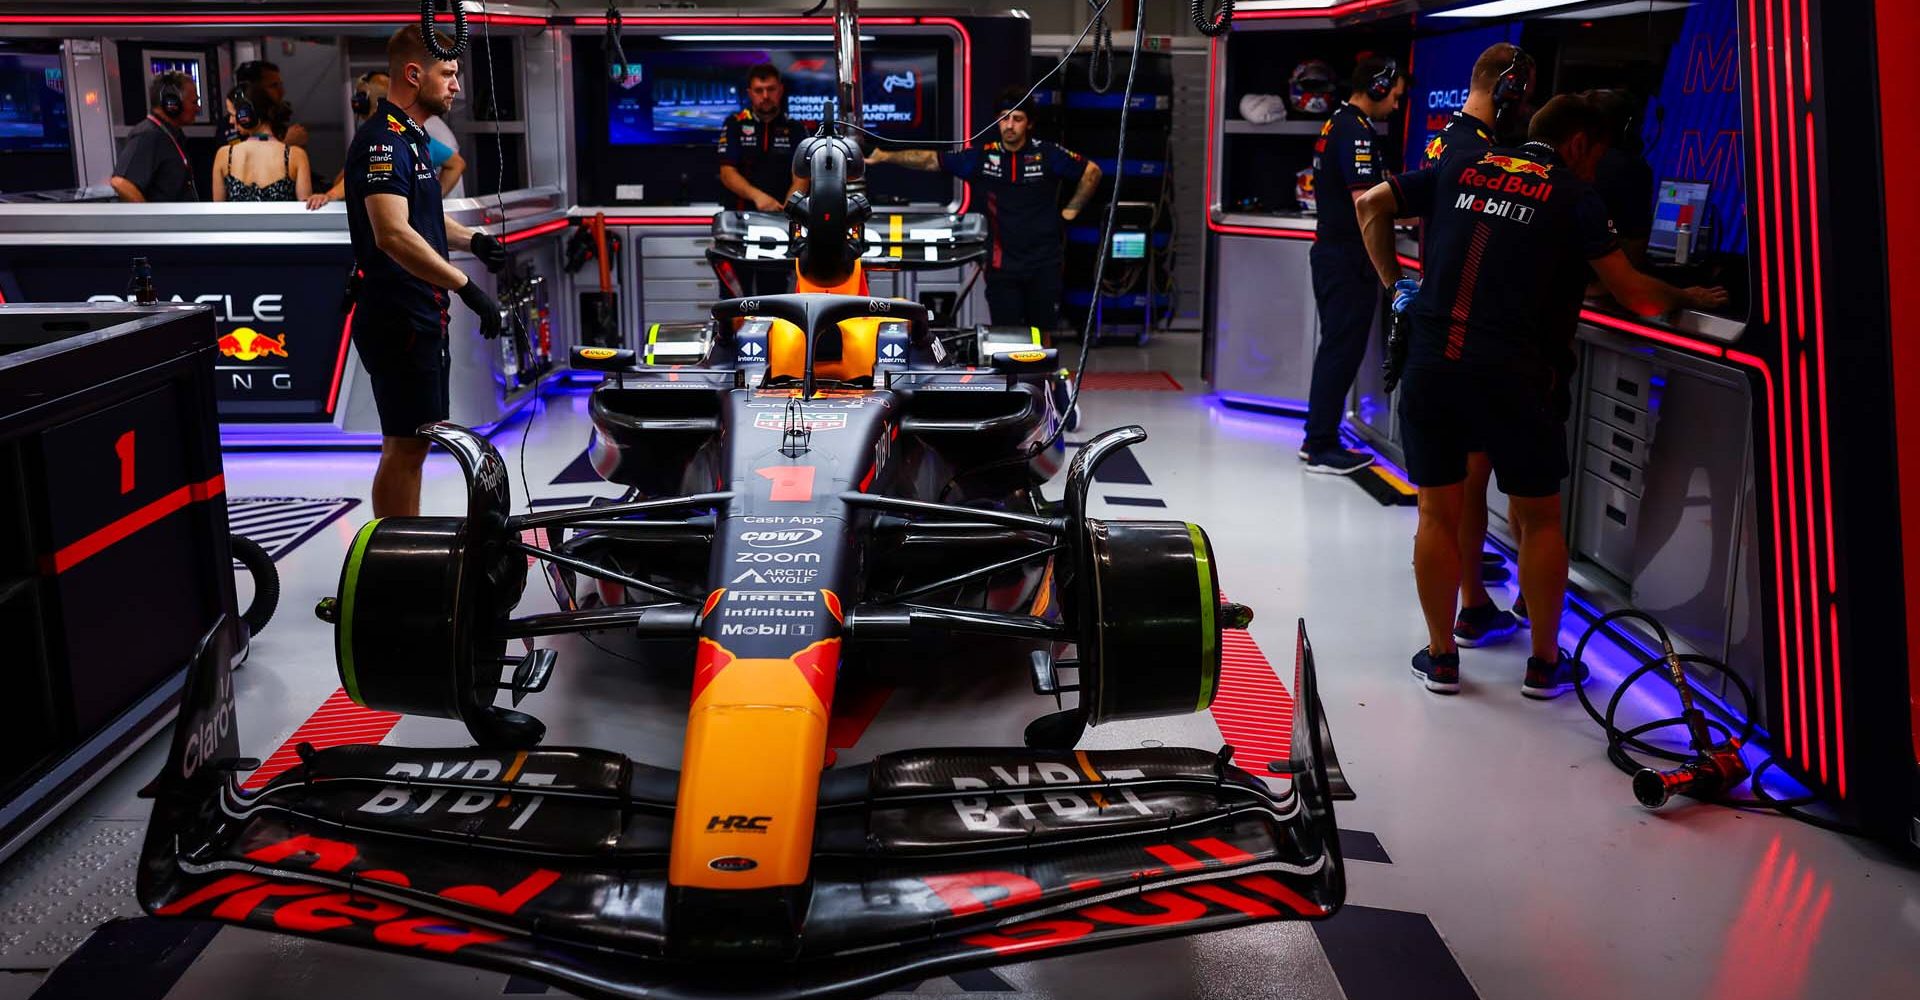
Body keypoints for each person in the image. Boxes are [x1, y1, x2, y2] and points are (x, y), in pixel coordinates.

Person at [1354, 94, 1726, 698]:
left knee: (1435, 513)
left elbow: (1370, 202)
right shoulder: (1575, 195)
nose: (1597, 166)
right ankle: (1545, 664)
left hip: (1432, 363)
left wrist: (1397, 287)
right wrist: (1687, 296)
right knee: (1540, 517)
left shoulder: (1461, 165)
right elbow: (1636, 295)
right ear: (1578, 144)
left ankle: (1443, 656)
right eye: (1597, 153)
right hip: (1515, 374)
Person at [347, 24, 509, 518]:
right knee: (405, 445)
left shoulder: (413, 137)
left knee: (416, 440)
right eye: (449, 73)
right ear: (414, 74)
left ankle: (404, 544)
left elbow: (423, 215)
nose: (457, 84)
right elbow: (392, 234)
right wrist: (465, 286)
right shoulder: (382, 142)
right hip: (396, 316)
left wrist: (472, 240)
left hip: (421, 312)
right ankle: (391, 561)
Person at [1421, 43, 1534, 649]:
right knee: (1471, 482)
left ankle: (1470, 595)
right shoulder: (1479, 154)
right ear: (1508, 85)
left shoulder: (1445, 140)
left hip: (1442, 326)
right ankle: (1474, 603)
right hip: (1475, 332)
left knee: (1459, 483)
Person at [867, 92, 1102, 331]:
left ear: (1029, 123)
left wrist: (1070, 212)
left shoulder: (1049, 154)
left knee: (1043, 334)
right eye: (1004, 118)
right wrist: (885, 156)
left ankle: (1046, 370)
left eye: (1017, 119)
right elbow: (930, 160)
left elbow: (1092, 172)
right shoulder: (982, 157)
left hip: (1045, 264)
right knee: (1006, 335)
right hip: (1002, 268)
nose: (1009, 125)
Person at [1300, 56, 1406, 475]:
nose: (1396, 106)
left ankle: (1320, 435)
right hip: (1346, 258)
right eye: (1394, 96)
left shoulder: (1339, 124)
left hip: (1336, 254)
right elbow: (1366, 200)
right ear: (1377, 87)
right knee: (1340, 351)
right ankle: (1321, 443)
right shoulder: (1355, 131)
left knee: (1338, 349)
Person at [716, 64, 810, 296]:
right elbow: (727, 172)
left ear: (780, 90)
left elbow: (803, 175)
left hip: (778, 225)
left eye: (770, 89)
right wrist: (759, 198)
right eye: (759, 90)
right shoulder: (735, 124)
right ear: (750, 93)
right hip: (738, 227)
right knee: (735, 298)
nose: (765, 96)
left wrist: (789, 206)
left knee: (775, 296)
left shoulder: (796, 128)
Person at [309, 72, 465, 209]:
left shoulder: (382, 135)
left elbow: (360, 175)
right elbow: (456, 163)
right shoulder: (408, 129)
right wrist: (431, 200)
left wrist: (329, 196)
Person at [212, 83, 312, 203]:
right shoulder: (296, 156)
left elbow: (218, 216)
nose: (230, 120)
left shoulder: (224, 156)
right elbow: (305, 215)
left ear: (247, 115)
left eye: (233, 115)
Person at [109, 72, 200, 203]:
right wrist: (151, 221)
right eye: (194, 102)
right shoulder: (148, 135)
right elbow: (121, 183)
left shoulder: (170, 134)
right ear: (172, 102)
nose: (197, 108)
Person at [235, 59, 309, 148]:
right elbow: (241, 160)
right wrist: (285, 144)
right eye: (274, 86)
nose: (282, 92)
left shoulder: (275, 122)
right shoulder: (235, 127)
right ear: (252, 91)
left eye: (280, 85)